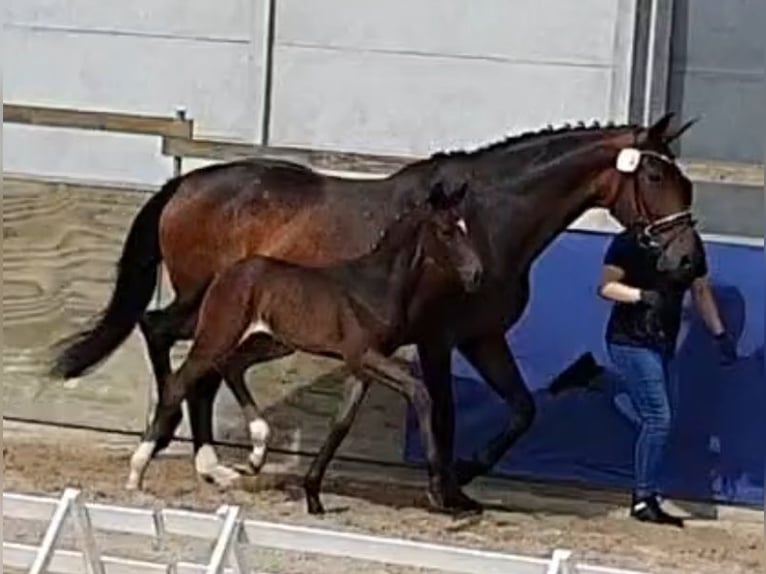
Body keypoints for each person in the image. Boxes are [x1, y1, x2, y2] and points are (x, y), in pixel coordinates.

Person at [598, 228, 737, 527]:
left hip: (662, 341)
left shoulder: (691, 245)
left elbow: (700, 290)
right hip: (630, 339)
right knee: (658, 418)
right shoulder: (629, 241)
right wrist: (641, 296)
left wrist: (719, 333)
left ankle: (597, 380)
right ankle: (642, 498)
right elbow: (607, 286)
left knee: (654, 415)